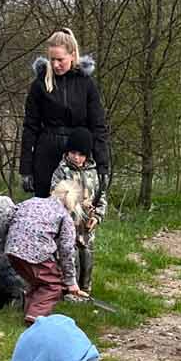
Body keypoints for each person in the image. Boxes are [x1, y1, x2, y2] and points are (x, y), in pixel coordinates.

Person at [20, 28, 111, 203]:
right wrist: (26, 169)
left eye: (60, 59)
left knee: (77, 210)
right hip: (45, 155)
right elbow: (30, 127)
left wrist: (102, 166)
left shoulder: (86, 84)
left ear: (72, 55)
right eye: (52, 59)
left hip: (78, 155)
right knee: (45, 212)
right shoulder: (39, 85)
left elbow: (98, 126)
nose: (55, 65)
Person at [5, 179, 81, 323]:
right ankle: (34, 318)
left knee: (37, 282)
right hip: (36, 253)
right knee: (53, 285)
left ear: (55, 191)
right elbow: (66, 249)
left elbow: (6, 218)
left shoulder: (31, 201)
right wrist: (71, 281)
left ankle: (28, 312)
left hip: (12, 250)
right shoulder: (64, 215)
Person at [49, 126, 105, 297]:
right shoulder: (60, 172)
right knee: (69, 254)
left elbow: (101, 196)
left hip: (87, 225)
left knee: (86, 254)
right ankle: (70, 290)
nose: (77, 157)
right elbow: (55, 198)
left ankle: (86, 289)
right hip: (68, 223)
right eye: (73, 152)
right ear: (68, 151)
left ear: (87, 155)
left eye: (81, 154)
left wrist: (96, 216)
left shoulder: (93, 173)